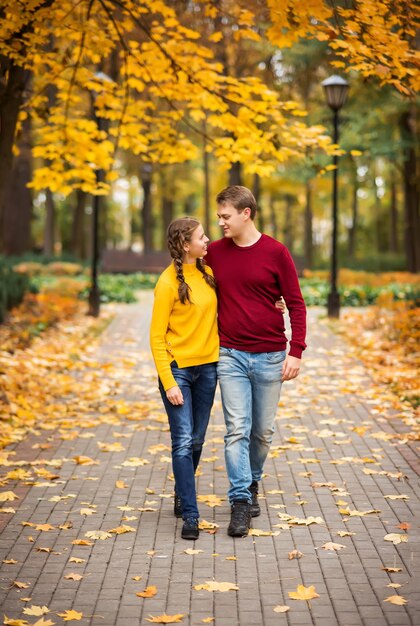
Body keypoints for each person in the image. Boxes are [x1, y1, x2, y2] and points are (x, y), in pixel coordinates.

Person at [205, 185, 307, 537]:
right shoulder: (214, 253)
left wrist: (296, 350)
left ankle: (252, 484)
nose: (220, 222)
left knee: (261, 432)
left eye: (225, 216)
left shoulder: (276, 252)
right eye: (218, 216)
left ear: (245, 213)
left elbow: (295, 302)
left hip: (270, 356)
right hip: (229, 354)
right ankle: (239, 502)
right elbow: (189, 282)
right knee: (236, 430)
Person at [150, 217, 219, 540]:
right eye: (201, 237)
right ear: (185, 245)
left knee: (197, 440)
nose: (208, 240)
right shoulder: (166, 283)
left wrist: (274, 304)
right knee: (182, 441)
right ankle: (191, 514)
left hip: (208, 369)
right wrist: (169, 382)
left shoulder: (208, 273)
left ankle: (182, 488)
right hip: (178, 371)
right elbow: (156, 337)